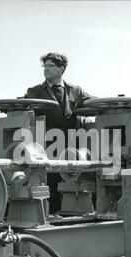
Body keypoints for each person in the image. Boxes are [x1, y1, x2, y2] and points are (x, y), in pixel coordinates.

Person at [24, 52, 93, 214]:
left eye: (51, 66)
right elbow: (27, 105)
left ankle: (73, 211)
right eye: (44, 66)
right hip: (47, 139)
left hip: (73, 140)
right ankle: (52, 213)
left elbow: (89, 101)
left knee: (74, 175)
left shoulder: (75, 90)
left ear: (61, 69)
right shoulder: (35, 91)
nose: (46, 69)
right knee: (51, 176)